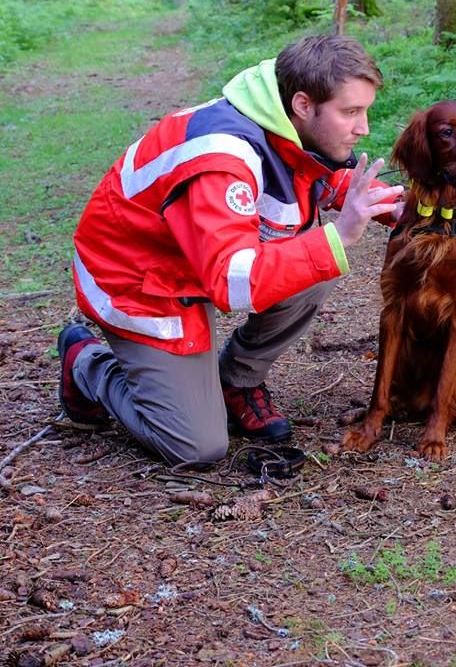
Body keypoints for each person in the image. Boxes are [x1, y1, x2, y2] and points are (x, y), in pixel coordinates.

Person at [57, 34, 404, 465]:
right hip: (139, 279)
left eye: (364, 110)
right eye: (350, 112)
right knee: (197, 446)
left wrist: (406, 208)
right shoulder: (223, 159)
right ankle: (87, 363)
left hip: (195, 259)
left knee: (315, 268)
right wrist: (344, 231)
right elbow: (231, 281)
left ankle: (236, 381)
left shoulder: (282, 124)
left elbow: (315, 175)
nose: (363, 127)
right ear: (302, 105)